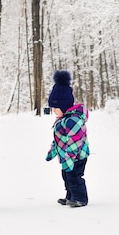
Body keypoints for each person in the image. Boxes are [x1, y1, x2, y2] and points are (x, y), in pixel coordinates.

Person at [45, 70, 90, 208]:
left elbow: (74, 142)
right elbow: (58, 139)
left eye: (56, 108)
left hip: (76, 156)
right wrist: (53, 151)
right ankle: (70, 196)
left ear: (64, 106)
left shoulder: (73, 120)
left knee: (75, 176)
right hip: (67, 156)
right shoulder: (62, 119)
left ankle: (80, 198)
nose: (54, 111)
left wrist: (69, 157)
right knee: (66, 175)